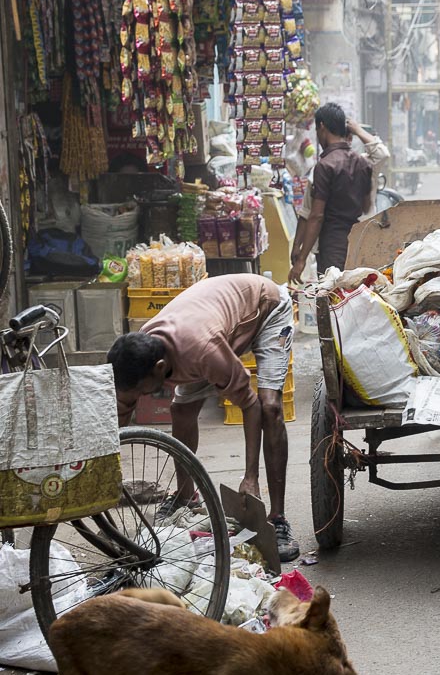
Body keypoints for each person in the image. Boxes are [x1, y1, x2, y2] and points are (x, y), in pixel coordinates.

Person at [108, 274, 299, 561]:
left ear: (160, 368)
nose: (138, 397)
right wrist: (106, 465)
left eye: (140, 390)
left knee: (270, 407)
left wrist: (250, 476)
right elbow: (123, 408)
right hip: (214, 325)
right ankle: (186, 496)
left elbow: (250, 405)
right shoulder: (146, 345)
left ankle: (278, 517)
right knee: (181, 410)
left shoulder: (203, 351)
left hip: (266, 308)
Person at [291, 114, 388, 279]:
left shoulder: (357, 164)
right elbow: (308, 214)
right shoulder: (355, 165)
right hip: (345, 243)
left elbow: (315, 216)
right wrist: (297, 249)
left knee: (337, 294)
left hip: (343, 243)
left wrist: (357, 129)